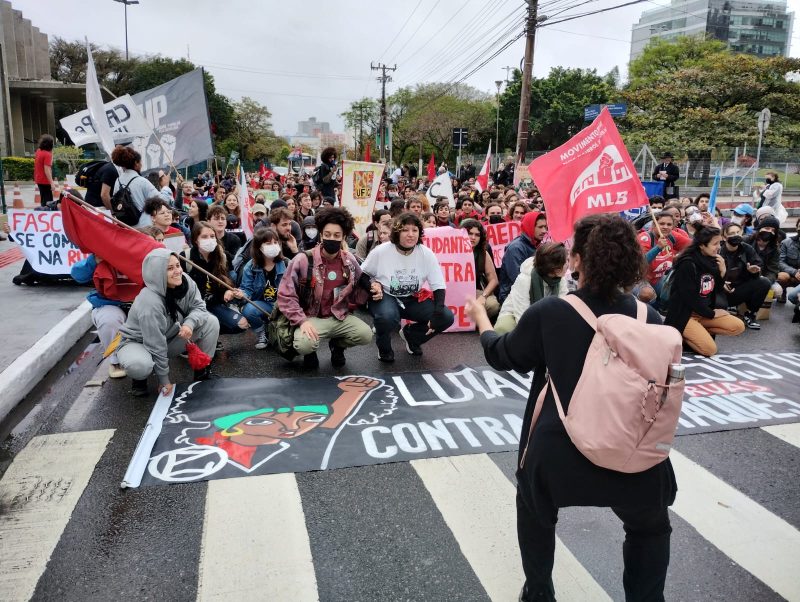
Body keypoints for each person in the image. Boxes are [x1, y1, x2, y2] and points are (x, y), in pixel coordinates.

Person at [467, 214, 676, 602]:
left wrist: (482, 320)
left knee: (535, 510)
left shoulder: (551, 312)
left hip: (560, 453)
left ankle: (539, 591)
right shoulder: (651, 317)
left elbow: (503, 355)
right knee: (650, 528)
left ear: (576, 260)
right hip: (635, 454)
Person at [276, 207, 373, 368]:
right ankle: (310, 352)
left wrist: (374, 287)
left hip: (339, 316)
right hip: (311, 317)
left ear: (344, 237)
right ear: (321, 235)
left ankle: (337, 346)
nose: (331, 239)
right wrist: (301, 321)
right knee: (304, 344)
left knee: (365, 335)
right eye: (327, 234)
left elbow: (361, 281)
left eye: (336, 235)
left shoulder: (349, 259)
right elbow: (286, 295)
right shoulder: (303, 259)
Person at [116, 248, 220, 397]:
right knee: (140, 366)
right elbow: (155, 344)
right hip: (138, 343)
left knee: (211, 322)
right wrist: (164, 380)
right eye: (170, 268)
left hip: (168, 337)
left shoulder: (185, 281)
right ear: (156, 273)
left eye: (178, 265)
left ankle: (202, 371)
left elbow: (200, 307)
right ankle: (139, 379)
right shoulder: (149, 301)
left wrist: (189, 324)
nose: (178, 271)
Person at [362, 212, 455, 362]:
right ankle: (384, 349)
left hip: (412, 298)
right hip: (386, 296)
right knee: (386, 317)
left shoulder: (426, 254)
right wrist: (372, 285)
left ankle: (412, 337)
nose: (410, 234)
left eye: (415, 230)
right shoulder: (381, 251)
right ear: (396, 232)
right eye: (405, 230)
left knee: (446, 317)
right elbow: (363, 274)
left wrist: (437, 313)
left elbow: (438, 285)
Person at [665, 225, 745, 356]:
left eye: (719, 243)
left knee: (738, 326)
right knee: (710, 350)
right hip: (685, 315)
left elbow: (716, 289)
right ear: (702, 245)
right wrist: (712, 314)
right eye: (715, 244)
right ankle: (683, 334)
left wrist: (723, 272)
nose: (719, 247)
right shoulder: (687, 263)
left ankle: (698, 333)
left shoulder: (713, 260)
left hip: (703, 313)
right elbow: (689, 298)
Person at [185, 222, 249, 338]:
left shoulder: (221, 256)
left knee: (242, 324)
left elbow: (225, 280)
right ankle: (204, 336)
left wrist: (227, 291)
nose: (209, 240)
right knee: (208, 322)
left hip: (213, 303)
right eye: (204, 237)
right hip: (194, 307)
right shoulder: (186, 257)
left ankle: (213, 334)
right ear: (195, 240)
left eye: (212, 236)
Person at [495, 241, 568, 334]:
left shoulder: (559, 278)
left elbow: (563, 306)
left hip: (544, 317)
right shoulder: (525, 279)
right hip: (515, 314)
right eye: (566, 261)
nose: (568, 264)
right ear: (555, 269)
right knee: (504, 329)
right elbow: (522, 315)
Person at [240, 228, 286, 350]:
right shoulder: (250, 267)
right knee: (248, 310)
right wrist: (241, 294)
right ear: (259, 247)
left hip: (283, 305)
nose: (273, 246)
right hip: (264, 305)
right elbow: (247, 290)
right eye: (268, 243)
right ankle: (262, 332)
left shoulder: (286, 264)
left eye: (275, 242)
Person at [719, 222, 771, 330]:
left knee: (764, 282)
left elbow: (758, 265)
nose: (736, 235)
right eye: (732, 233)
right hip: (722, 292)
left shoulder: (746, 248)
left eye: (738, 232)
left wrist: (753, 271)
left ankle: (750, 315)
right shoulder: (718, 251)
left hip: (740, 289)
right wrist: (720, 283)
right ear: (724, 237)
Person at [635, 211, 691, 305]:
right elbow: (641, 263)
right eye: (661, 224)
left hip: (658, 277)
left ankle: (661, 308)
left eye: (669, 224)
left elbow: (693, 245)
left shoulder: (672, 236)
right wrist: (658, 248)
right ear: (654, 225)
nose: (665, 227)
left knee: (682, 289)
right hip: (639, 278)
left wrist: (678, 257)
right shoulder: (644, 238)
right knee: (647, 294)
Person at [111, 146, 171, 227]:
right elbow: (163, 201)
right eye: (140, 162)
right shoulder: (141, 181)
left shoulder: (117, 181)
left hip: (125, 226)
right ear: (136, 163)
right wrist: (165, 186)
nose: (141, 165)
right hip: (143, 226)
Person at [499, 211, 548, 303]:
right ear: (530, 227)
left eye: (545, 227)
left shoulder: (538, 245)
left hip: (533, 292)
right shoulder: (515, 248)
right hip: (512, 296)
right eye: (540, 227)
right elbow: (518, 279)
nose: (544, 231)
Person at [461, 219, 500, 322]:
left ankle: (477, 323)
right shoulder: (451, 251)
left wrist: (483, 296)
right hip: (454, 292)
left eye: (477, 235)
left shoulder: (483, 253)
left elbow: (493, 280)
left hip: (475, 291)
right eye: (470, 233)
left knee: (493, 305)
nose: (473, 237)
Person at [777, 217, 800, 303]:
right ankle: (782, 292)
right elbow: (780, 262)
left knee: (793, 297)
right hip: (790, 274)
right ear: (796, 228)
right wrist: (794, 272)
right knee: (782, 277)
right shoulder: (786, 243)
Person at [34, 134, 55, 208]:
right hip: (45, 180)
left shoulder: (39, 151)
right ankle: (46, 213)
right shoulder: (47, 155)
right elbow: (47, 169)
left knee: (43, 199)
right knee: (48, 202)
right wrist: (51, 182)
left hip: (39, 178)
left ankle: (43, 211)